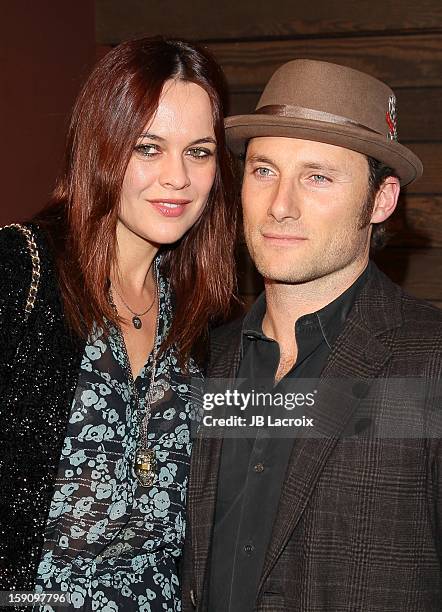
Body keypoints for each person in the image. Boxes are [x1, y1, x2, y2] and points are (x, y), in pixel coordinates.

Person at [182, 59, 442, 611]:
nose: (281, 205)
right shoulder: (200, 358)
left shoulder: (432, 359)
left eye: (318, 177)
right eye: (264, 170)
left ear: (381, 200)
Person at [0, 37, 237, 611]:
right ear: (101, 146)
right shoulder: (19, 271)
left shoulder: (201, 314)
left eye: (199, 152)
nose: (178, 178)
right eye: (148, 148)